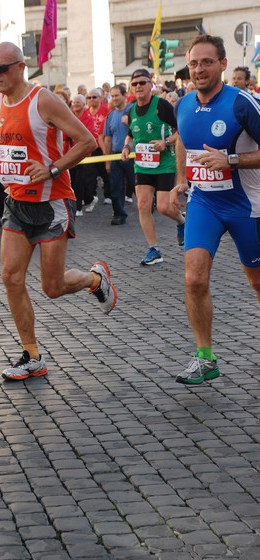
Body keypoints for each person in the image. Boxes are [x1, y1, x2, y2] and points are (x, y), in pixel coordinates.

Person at [0, 41, 116, 381]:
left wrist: (53, 169)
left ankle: (96, 279)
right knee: (10, 277)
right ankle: (32, 355)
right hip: (17, 202)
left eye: (2, 69)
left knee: (52, 287)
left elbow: (86, 141)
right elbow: (13, 152)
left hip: (52, 201)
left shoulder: (43, 100)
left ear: (21, 67)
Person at [170, 34, 260, 385]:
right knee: (194, 278)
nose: (199, 69)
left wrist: (231, 160)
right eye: (194, 63)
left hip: (246, 206)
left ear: (222, 64)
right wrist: (180, 180)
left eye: (207, 62)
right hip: (204, 202)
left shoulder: (242, 104)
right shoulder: (184, 105)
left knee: (256, 281)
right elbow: (184, 144)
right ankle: (205, 358)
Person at [121, 68, 185, 265]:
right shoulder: (131, 110)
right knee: (142, 205)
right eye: (135, 83)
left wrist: (165, 142)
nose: (139, 86)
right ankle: (153, 249)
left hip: (164, 163)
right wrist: (125, 146)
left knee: (164, 207)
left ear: (151, 85)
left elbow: (180, 132)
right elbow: (132, 134)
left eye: (142, 82)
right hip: (142, 165)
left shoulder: (162, 106)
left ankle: (183, 222)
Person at [102, 84, 134, 225]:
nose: (114, 98)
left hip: (133, 155)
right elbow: (107, 139)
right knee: (115, 186)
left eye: (116, 95)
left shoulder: (133, 110)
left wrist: (130, 122)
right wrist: (107, 161)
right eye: (112, 95)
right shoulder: (110, 115)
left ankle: (146, 209)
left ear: (124, 95)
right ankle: (119, 214)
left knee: (136, 185)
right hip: (115, 155)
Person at [70, 94, 98, 216]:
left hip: (84, 154)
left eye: (77, 102)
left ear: (83, 104)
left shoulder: (88, 118)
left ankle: (78, 208)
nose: (75, 105)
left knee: (80, 181)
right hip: (71, 153)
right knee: (74, 180)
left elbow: (90, 135)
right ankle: (90, 199)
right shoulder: (70, 117)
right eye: (73, 102)